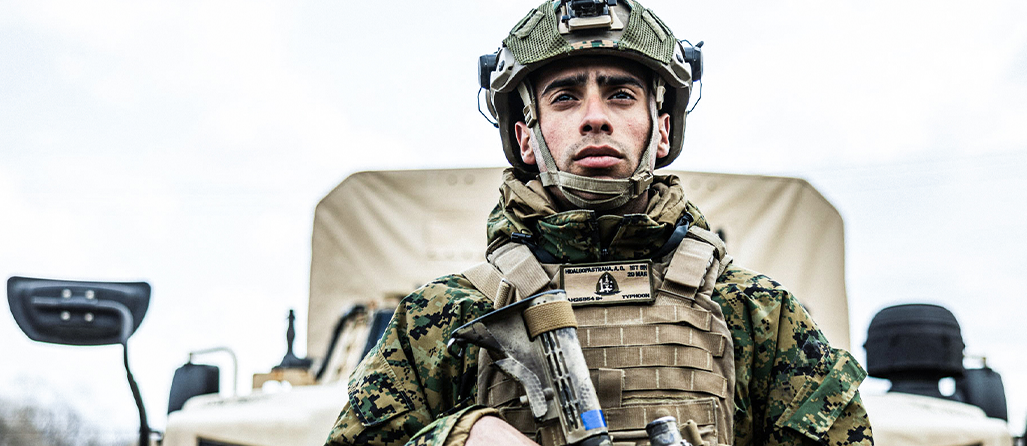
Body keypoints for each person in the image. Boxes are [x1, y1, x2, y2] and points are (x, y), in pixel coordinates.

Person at [325, 1, 872, 445]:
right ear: (525, 138)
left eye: (621, 94)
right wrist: (462, 436)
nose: (594, 115)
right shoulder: (444, 318)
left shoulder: (757, 314)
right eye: (565, 97)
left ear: (660, 130)